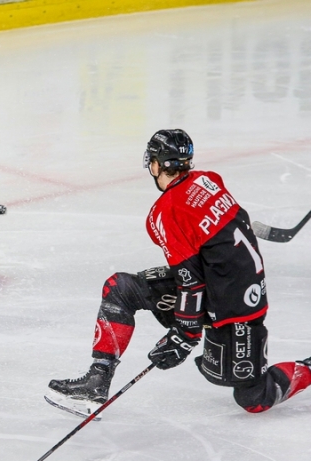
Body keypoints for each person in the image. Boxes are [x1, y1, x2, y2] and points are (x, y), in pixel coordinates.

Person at [45, 129, 311, 418]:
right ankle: (97, 382)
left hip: (233, 309)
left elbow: (190, 281)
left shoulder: (166, 211)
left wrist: (184, 334)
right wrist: (187, 329)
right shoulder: (209, 180)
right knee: (122, 288)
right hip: (241, 291)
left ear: (157, 164)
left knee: (254, 397)